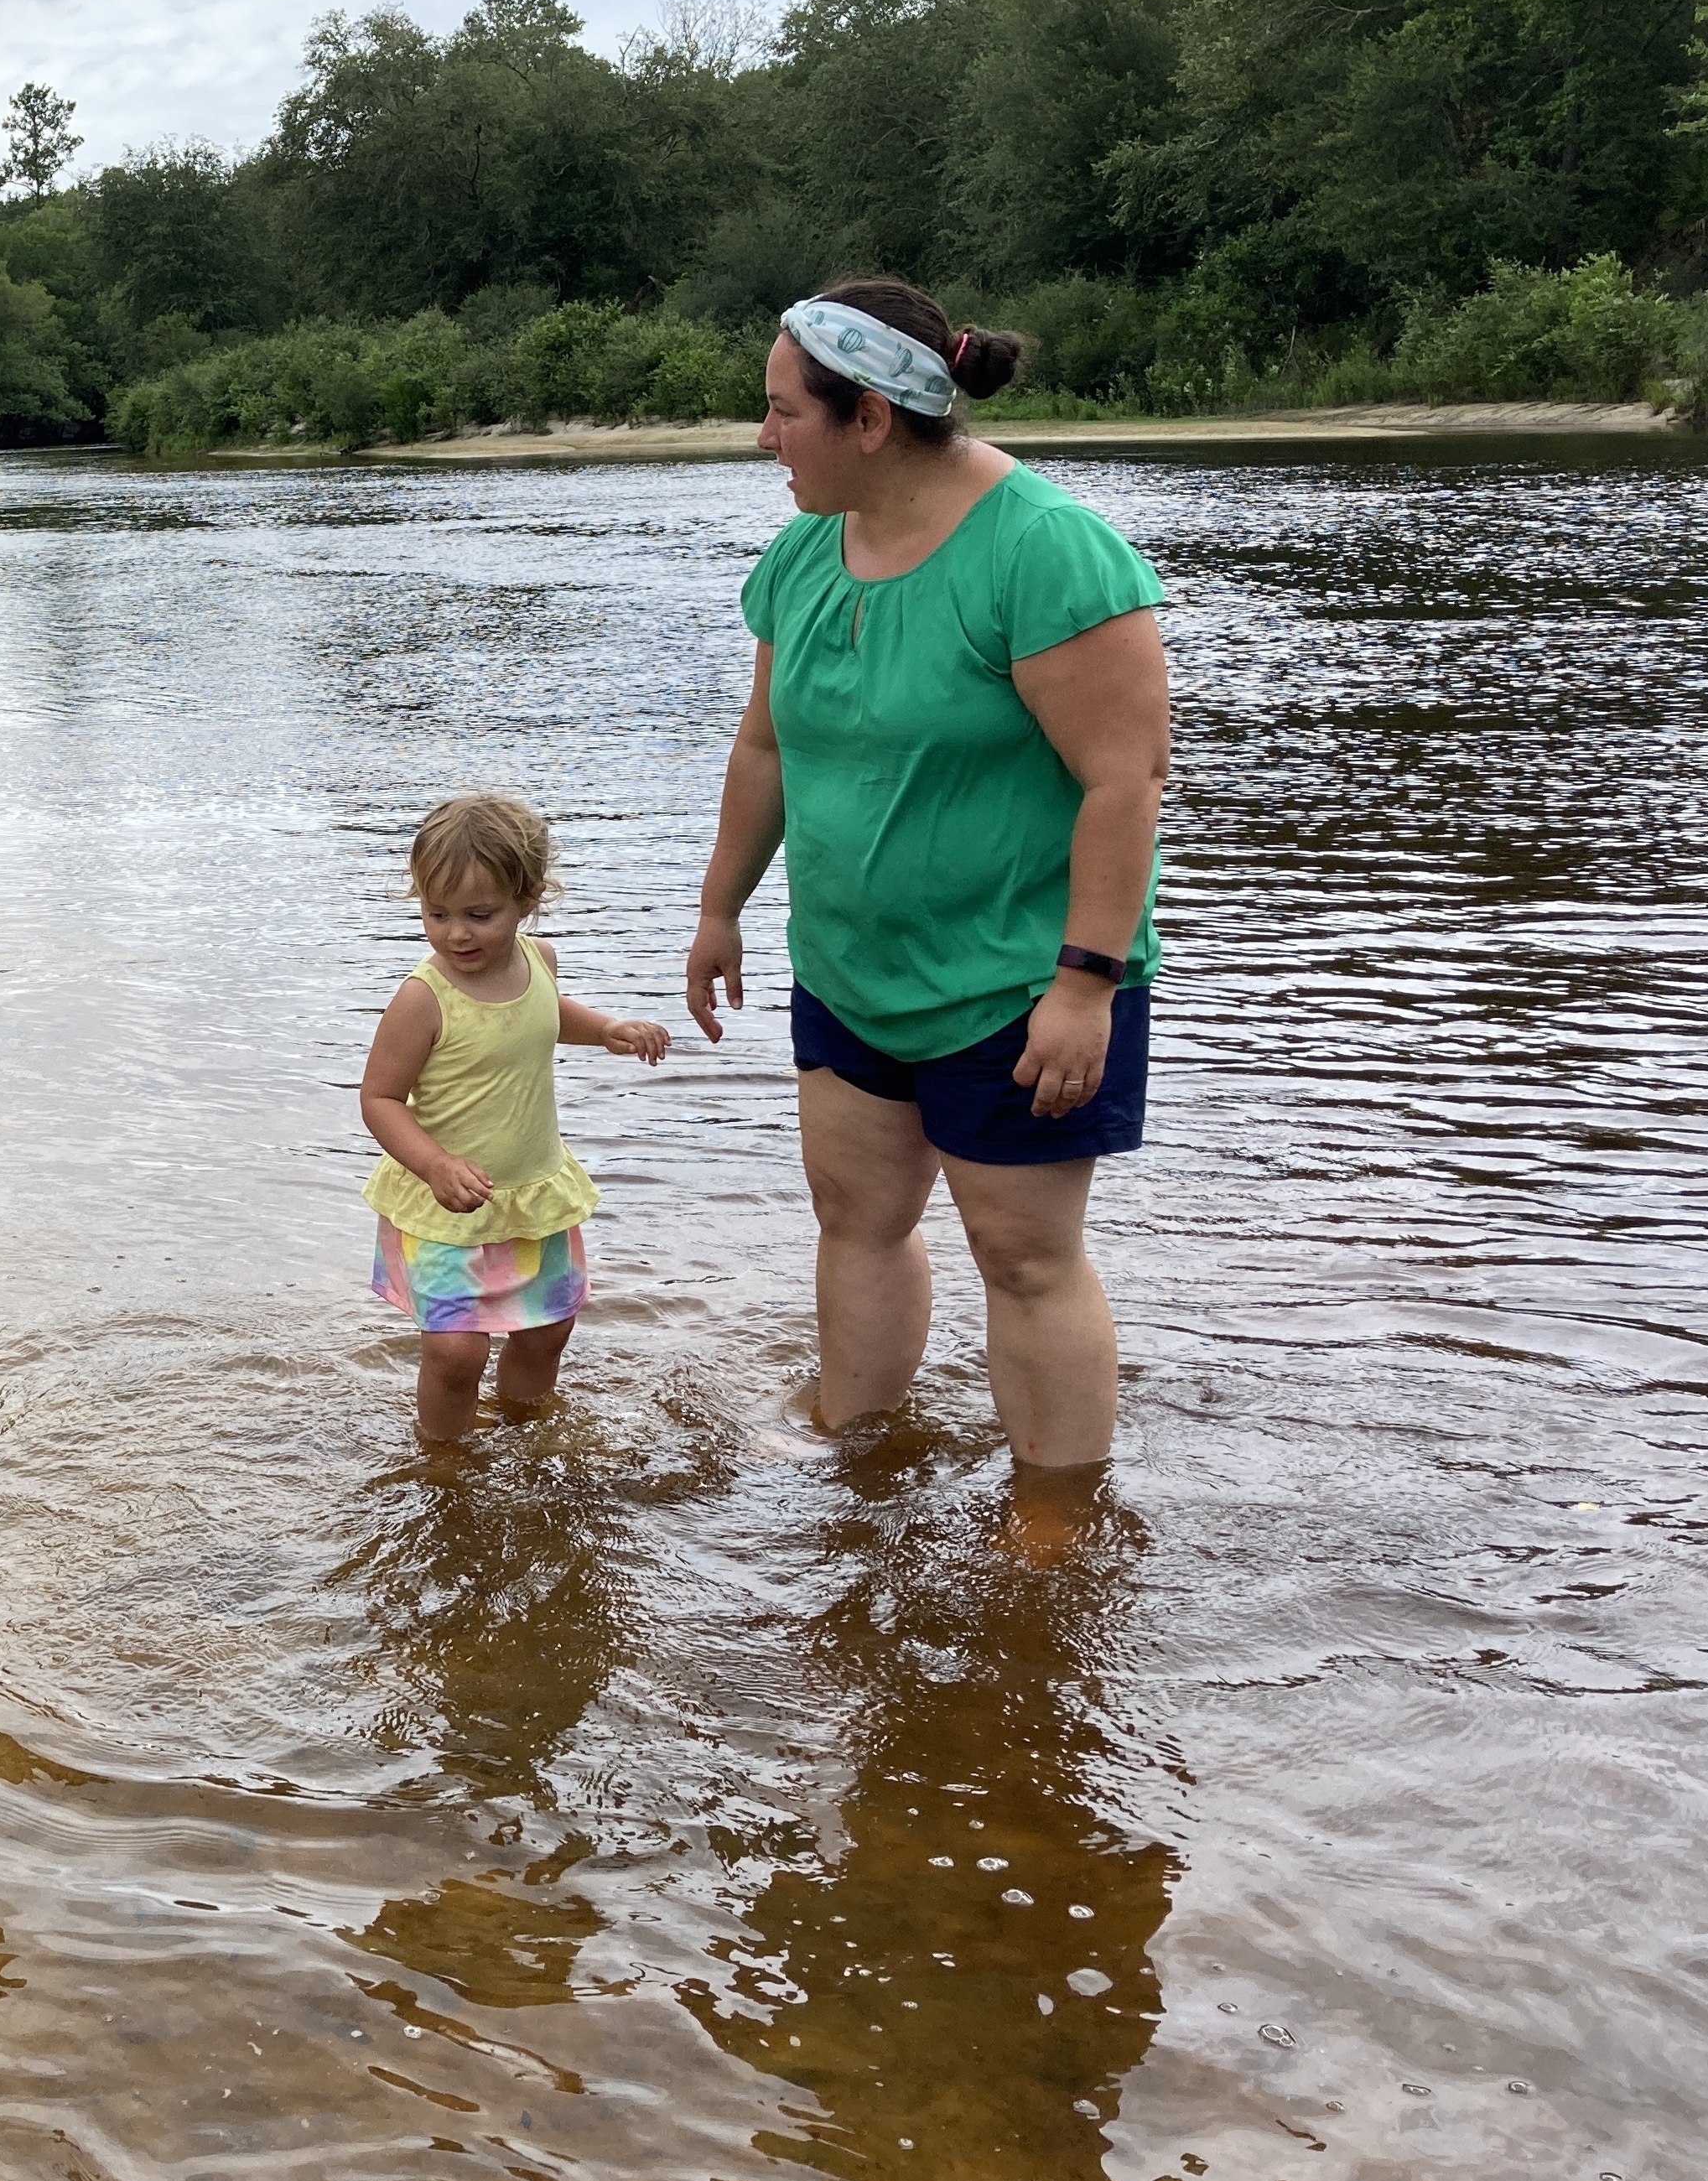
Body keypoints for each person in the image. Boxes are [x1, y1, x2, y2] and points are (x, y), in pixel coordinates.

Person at [684, 278, 1170, 1475]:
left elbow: (1127, 781)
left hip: (1018, 984)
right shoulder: (803, 555)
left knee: (1023, 1258)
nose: (763, 437)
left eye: (783, 411)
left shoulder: (1047, 551)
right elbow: (766, 742)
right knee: (857, 1220)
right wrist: (719, 908)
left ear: (871, 422)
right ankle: (860, 1454)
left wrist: (1085, 985)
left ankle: (1058, 1522)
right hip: (851, 974)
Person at [362, 796, 672, 1442]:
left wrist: (609, 1028)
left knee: (549, 1328)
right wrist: (435, 1164)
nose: (457, 934)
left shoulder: (538, 959)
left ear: (528, 899)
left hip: (532, 1193)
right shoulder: (423, 998)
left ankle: (526, 1435)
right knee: (457, 1353)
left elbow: (547, 1013)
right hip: (447, 1205)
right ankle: (445, 1462)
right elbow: (380, 1099)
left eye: (480, 915)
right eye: (436, 914)